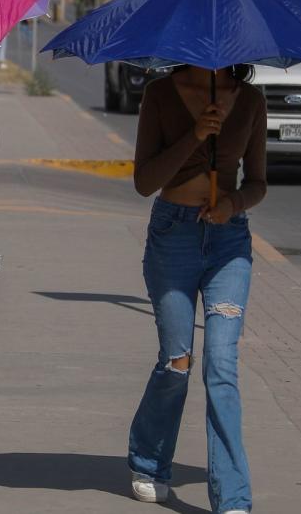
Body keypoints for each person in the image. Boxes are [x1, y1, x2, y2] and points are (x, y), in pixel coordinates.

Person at [127, 65, 267, 514]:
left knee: (221, 365)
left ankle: (233, 498)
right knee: (177, 363)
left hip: (229, 243)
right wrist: (196, 133)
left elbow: (258, 183)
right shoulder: (161, 93)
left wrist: (233, 203)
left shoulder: (249, 100)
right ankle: (148, 462)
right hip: (173, 235)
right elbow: (145, 181)